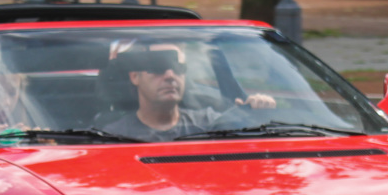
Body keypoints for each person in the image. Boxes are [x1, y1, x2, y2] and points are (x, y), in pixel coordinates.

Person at [102, 42, 275, 142]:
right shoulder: (112, 137)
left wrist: (257, 114)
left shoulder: (211, 124)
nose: (170, 75)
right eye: (158, 67)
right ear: (135, 76)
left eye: (178, 67)